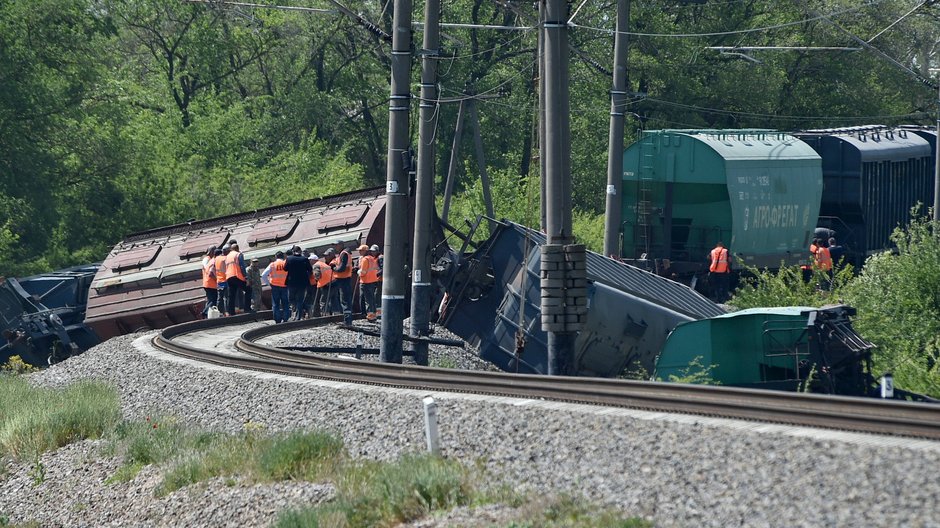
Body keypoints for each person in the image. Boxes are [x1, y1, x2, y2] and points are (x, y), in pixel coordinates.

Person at [284, 245, 312, 321]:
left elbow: (285, 269)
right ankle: (299, 316)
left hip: (291, 282)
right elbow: (310, 269)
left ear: (293, 251)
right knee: (300, 300)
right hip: (302, 283)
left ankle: (298, 310)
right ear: (300, 251)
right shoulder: (305, 259)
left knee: (291, 299)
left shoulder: (289, 259)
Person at [262, 251, 289, 323]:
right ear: (283, 257)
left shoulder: (272, 264)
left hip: (275, 286)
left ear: (275, 257)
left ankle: (277, 320)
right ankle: (286, 319)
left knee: (276, 304)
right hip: (284, 286)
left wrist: (269, 284)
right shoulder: (286, 263)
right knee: (285, 303)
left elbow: (263, 275)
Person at [331, 241, 354, 324]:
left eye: (336, 245)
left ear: (341, 245)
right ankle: (347, 319)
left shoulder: (344, 254)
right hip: (344, 279)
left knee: (344, 300)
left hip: (343, 279)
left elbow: (341, 268)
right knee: (345, 299)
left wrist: (334, 268)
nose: (335, 247)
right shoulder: (344, 253)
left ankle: (347, 321)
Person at [225, 241, 248, 316]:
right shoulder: (238, 254)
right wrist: (246, 277)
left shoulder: (227, 256)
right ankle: (247, 308)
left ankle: (231, 312)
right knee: (249, 290)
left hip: (229, 277)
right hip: (237, 276)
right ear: (237, 248)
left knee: (231, 295)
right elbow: (242, 266)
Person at [358, 244, 380, 321]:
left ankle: (370, 316)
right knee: (372, 299)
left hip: (365, 281)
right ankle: (374, 315)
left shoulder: (365, 259)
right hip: (372, 281)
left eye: (361, 250)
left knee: (368, 300)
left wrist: (358, 272)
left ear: (365, 251)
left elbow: (363, 272)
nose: (359, 252)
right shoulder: (372, 258)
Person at [313, 248, 336, 316]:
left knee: (323, 301)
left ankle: (325, 315)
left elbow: (317, 275)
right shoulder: (323, 264)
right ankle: (337, 314)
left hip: (326, 284)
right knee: (334, 300)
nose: (325, 257)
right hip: (334, 282)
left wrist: (316, 280)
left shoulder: (316, 265)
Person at [201, 246, 217, 318]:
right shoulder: (207, 260)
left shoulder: (209, 259)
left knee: (210, 300)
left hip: (208, 283)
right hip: (210, 283)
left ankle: (208, 314)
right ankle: (205, 312)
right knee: (213, 300)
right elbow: (209, 271)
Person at [304, 252, 319, 319]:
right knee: (310, 300)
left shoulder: (315, 266)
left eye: (310, 260)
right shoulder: (313, 266)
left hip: (313, 285)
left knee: (312, 300)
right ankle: (311, 314)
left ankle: (312, 314)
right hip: (311, 285)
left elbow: (315, 276)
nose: (309, 261)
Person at [214, 247, 228, 316]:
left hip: (219, 281)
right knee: (226, 297)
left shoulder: (216, 259)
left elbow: (213, 270)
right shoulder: (225, 258)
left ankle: (219, 313)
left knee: (220, 298)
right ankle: (227, 312)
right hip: (225, 280)